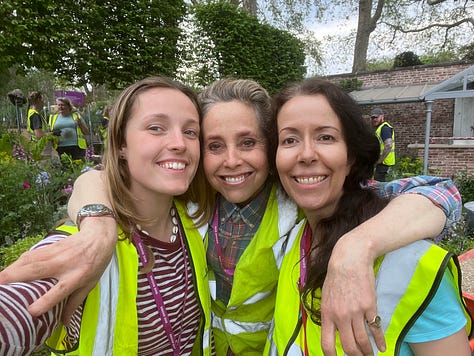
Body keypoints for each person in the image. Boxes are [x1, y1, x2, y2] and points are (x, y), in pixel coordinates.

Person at [0, 79, 461, 355]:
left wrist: (354, 247)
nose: (231, 162)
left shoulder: (299, 199)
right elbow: (98, 180)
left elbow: (436, 190)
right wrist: (97, 219)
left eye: (248, 142)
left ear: (269, 145)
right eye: (215, 145)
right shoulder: (192, 207)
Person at [0, 76, 212, 355]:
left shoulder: (199, 220)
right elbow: (16, 311)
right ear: (121, 144)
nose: (179, 143)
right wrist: (97, 223)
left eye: (191, 132)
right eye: (156, 127)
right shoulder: (85, 245)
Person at [265, 77, 472, 355]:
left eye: (325, 137)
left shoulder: (414, 263)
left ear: (351, 156)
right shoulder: (292, 239)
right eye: (289, 139)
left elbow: (443, 192)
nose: (306, 154)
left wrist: (356, 245)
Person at [26, 91, 54, 158]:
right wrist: (53, 133)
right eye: (42, 99)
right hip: (42, 148)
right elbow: (39, 135)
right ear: (38, 100)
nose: (43, 102)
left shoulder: (31, 112)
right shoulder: (35, 115)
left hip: (37, 146)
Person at [370, 107, 395, 182]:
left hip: (384, 162)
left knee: (379, 185)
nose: (374, 119)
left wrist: (380, 160)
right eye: (372, 117)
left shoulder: (384, 128)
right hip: (384, 162)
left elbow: (388, 145)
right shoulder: (380, 128)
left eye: (376, 117)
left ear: (382, 116)